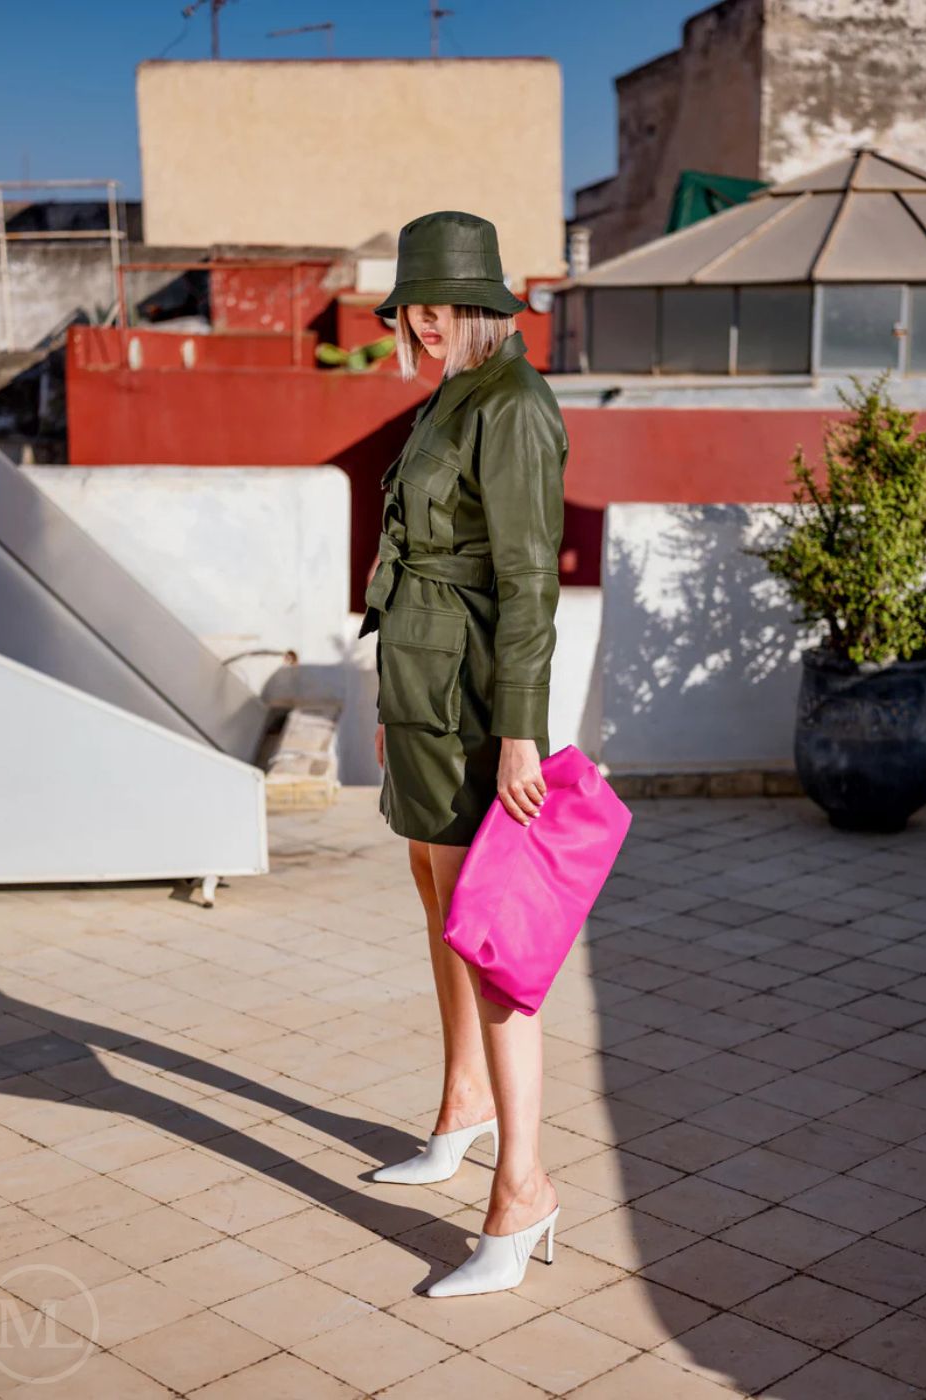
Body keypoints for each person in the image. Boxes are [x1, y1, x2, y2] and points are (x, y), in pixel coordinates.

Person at [357, 210, 568, 1296]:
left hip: (476, 701)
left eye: (443, 305)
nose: (426, 322)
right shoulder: (453, 393)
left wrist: (520, 731)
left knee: (488, 935)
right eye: (414, 306)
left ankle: (521, 1188)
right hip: (421, 688)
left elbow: (530, 581)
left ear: (483, 304)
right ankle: (462, 1107)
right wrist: (391, 697)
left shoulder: (513, 404)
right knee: (434, 893)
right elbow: (414, 550)